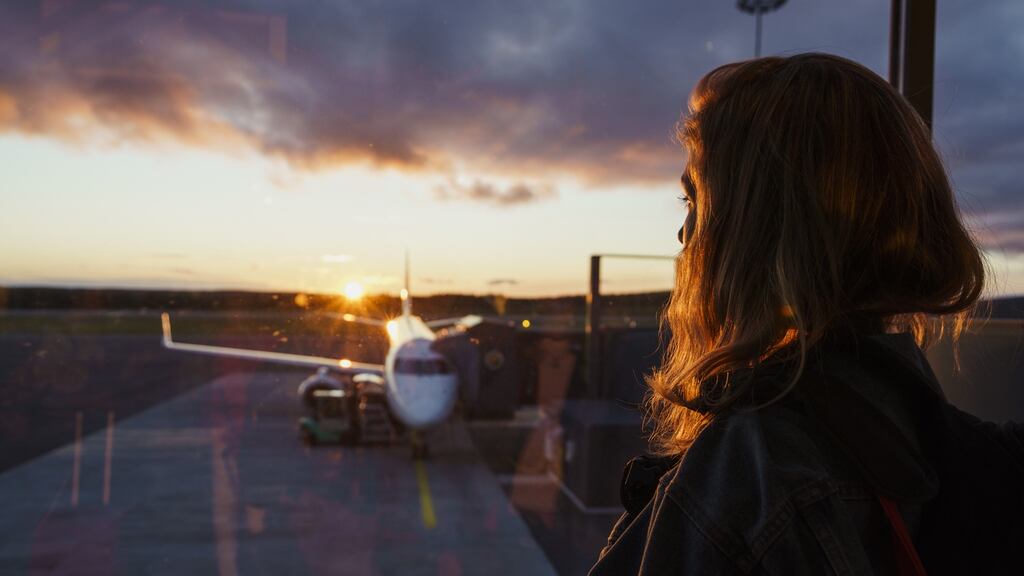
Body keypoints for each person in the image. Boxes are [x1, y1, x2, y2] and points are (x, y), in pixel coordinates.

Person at [589, 53, 1024, 575]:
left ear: (756, 232)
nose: (685, 235)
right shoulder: (961, 453)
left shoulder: (751, 476)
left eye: (695, 200)